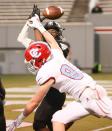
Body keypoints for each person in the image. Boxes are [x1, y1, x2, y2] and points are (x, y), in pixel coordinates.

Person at [7, 14, 112, 131]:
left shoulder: (47, 71)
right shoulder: (56, 54)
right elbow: (51, 42)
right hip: (85, 97)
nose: (31, 64)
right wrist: (38, 25)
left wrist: (18, 121)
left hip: (92, 97)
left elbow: (34, 102)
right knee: (58, 118)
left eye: (32, 61)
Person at [33, 21, 72, 131]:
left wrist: (37, 26)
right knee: (53, 124)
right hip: (53, 88)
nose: (50, 33)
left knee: (38, 124)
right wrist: (35, 27)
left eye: (53, 31)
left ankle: (70, 119)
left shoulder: (62, 45)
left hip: (55, 91)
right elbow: (40, 44)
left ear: (59, 32)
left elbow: (42, 44)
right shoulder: (48, 45)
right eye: (49, 31)